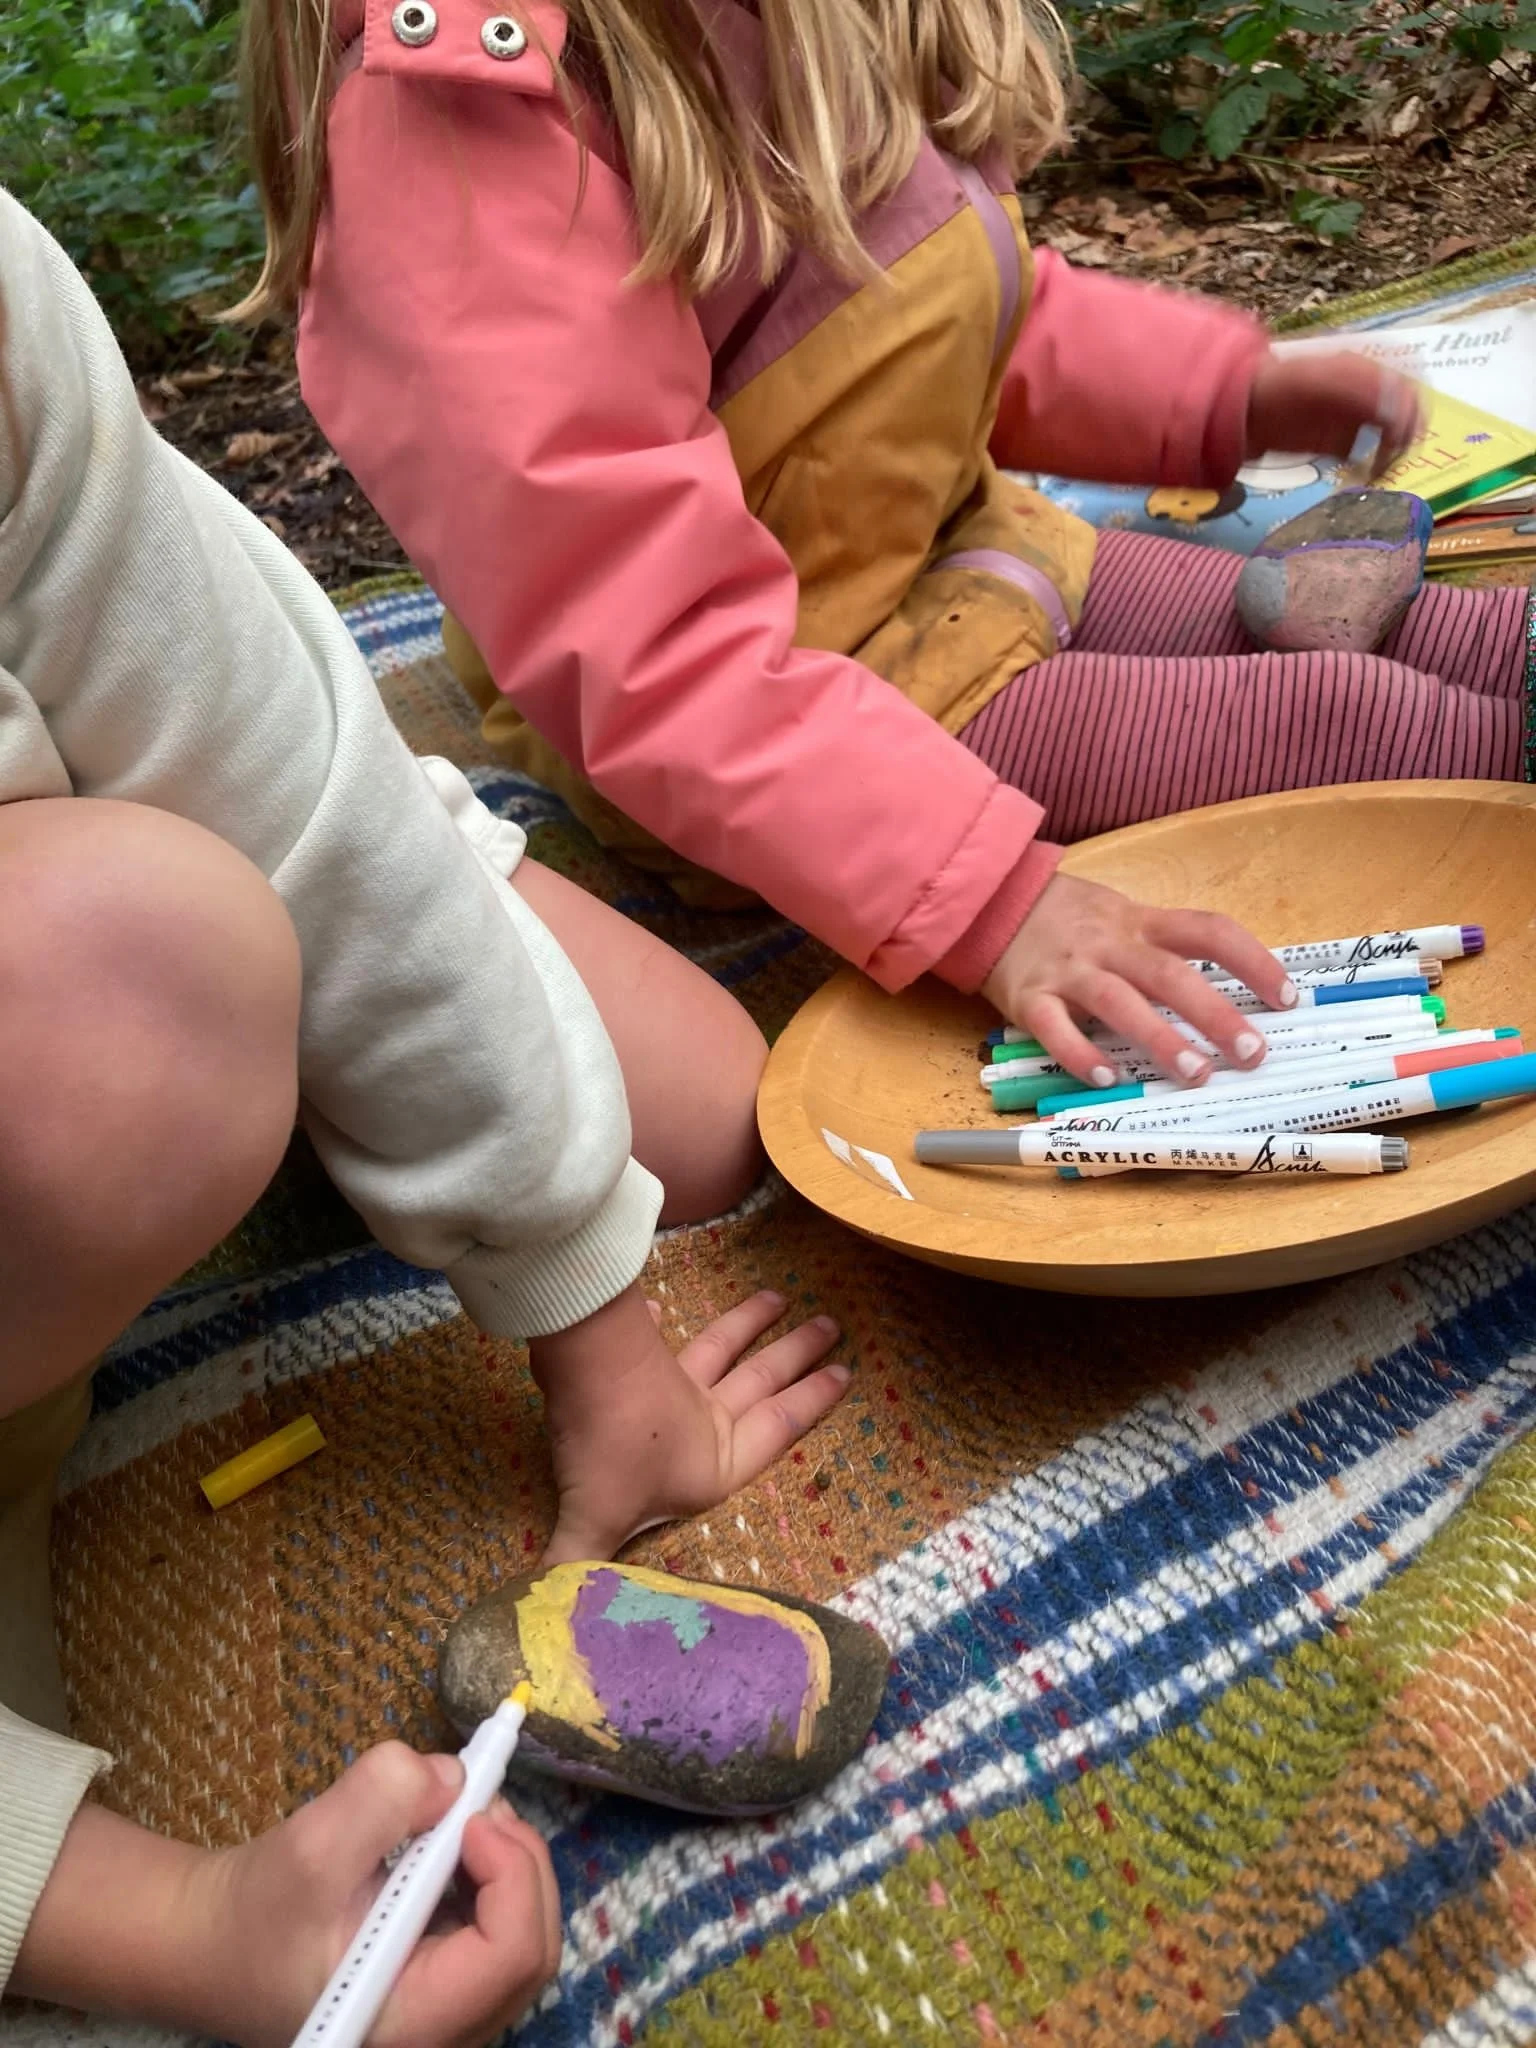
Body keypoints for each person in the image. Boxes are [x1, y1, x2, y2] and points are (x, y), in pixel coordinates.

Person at [0, 185, 849, 2042]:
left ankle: (316, 1064)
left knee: (707, 1115)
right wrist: (176, 1921)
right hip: (82, 1006)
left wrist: (591, 1317)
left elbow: (268, 754)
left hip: (120, 855)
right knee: (135, 998)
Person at [243, 0, 1534, 1090]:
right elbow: (639, 633)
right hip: (794, 712)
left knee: (1366, 612)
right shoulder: (461, 124)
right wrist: (995, 901)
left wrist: (1219, 396)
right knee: (1341, 715)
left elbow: (948, 317)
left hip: (946, 549)